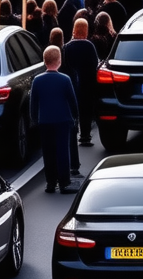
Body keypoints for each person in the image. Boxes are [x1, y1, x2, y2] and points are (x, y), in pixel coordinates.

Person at [31, 46, 79, 193]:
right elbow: (72, 100)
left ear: (44, 61)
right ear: (59, 61)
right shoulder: (65, 79)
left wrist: (34, 118)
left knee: (48, 151)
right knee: (62, 150)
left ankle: (50, 182)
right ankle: (64, 182)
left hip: (44, 120)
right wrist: (75, 116)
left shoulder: (37, 81)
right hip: (62, 119)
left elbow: (33, 103)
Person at [62, 19, 99, 154]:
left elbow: (65, 65)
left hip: (72, 83)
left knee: (72, 109)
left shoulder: (67, 47)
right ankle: (85, 135)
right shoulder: (89, 46)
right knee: (86, 109)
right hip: (87, 82)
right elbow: (95, 64)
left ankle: (73, 132)